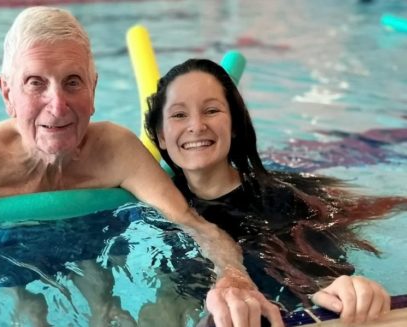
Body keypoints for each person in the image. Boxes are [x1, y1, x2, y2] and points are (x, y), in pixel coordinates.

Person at [0, 7, 284, 327]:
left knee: (106, 307)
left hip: (89, 238)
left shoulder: (116, 149)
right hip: (1, 246)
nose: (57, 105)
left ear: (93, 89)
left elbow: (193, 224)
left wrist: (233, 277)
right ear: (7, 92)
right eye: (35, 83)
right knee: (29, 314)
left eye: (72, 82)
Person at [144, 58, 405, 326]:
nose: (196, 126)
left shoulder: (283, 201)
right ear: (161, 135)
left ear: (234, 126)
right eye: (178, 115)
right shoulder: (150, 208)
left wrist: (343, 290)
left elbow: (315, 275)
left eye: (211, 110)